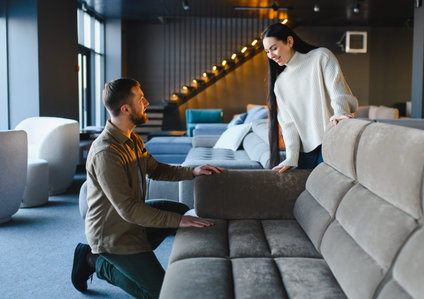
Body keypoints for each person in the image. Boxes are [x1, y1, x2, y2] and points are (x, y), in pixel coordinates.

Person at [71, 78, 224, 298]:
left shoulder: (132, 139)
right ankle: (95, 261)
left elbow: (155, 169)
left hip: (133, 219)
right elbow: (129, 209)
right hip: (114, 235)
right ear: (125, 109)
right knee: (162, 293)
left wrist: (193, 171)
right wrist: (178, 222)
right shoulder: (105, 152)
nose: (147, 102)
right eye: (140, 99)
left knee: (180, 210)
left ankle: (126, 257)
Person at [262, 23, 358, 172]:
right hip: (304, 154)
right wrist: (291, 157)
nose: (271, 55)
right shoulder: (280, 84)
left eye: (274, 48)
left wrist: (340, 112)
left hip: (330, 143)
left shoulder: (321, 57)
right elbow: (289, 125)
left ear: (289, 41)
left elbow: (337, 90)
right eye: (267, 51)